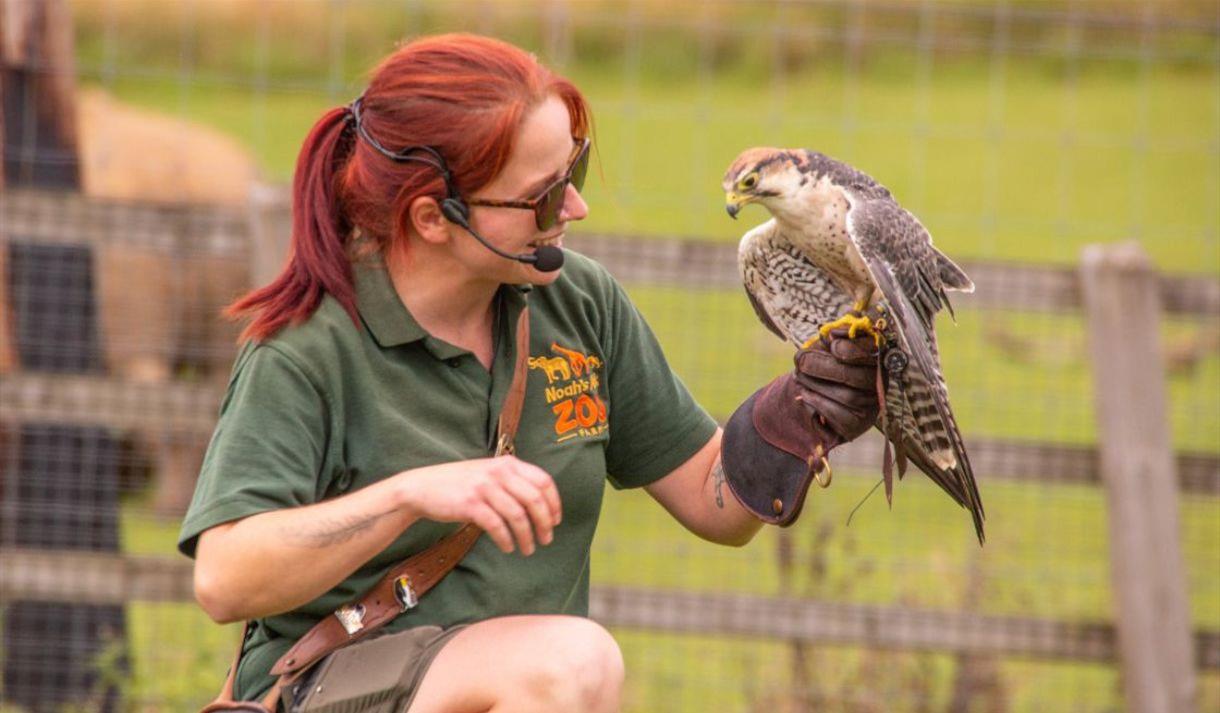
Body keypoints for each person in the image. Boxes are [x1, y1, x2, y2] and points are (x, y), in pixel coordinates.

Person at [180, 33, 881, 713]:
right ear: (432, 217)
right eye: (545, 197)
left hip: (519, 687)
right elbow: (223, 577)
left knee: (563, 665)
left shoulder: (577, 303)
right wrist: (412, 494)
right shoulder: (307, 351)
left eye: (571, 173)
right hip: (331, 689)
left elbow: (710, 498)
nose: (576, 208)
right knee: (570, 663)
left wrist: (795, 412)